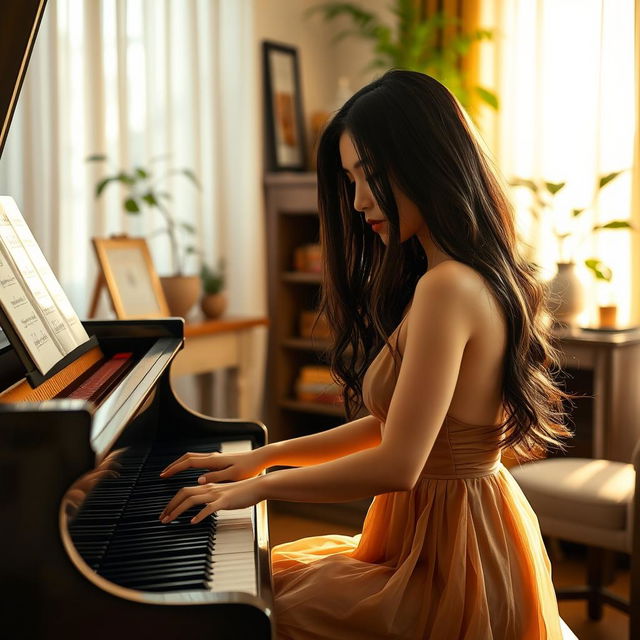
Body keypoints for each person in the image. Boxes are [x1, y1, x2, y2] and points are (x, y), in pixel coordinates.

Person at [158, 70, 572, 639]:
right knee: (261, 587)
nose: (357, 202)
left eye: (371, 176)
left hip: (451, 561)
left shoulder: (447, 287)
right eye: (350, 179)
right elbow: (389, 426)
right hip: (446, 537)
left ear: (427, 161)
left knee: (257, 609)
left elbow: (399, 464)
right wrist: (264, 456)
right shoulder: (456, 276)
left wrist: (261, 486)